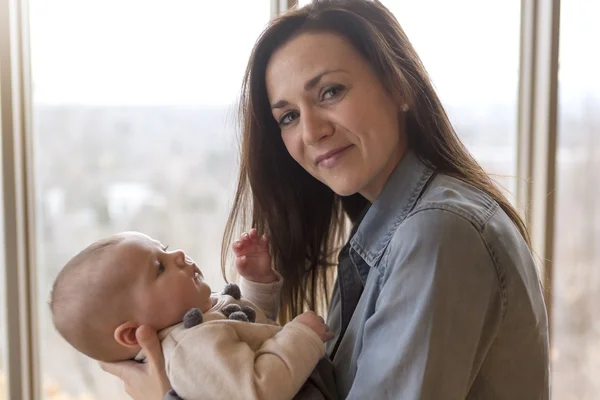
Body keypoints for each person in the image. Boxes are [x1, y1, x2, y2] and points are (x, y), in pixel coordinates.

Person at [100, 0, 551, 398]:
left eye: (331, 92)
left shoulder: (436, 233)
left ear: (400, 86)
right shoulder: (387, 231)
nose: (312, 131)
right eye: (289, 116)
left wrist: (168, 396)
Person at [50, 230, 336, 400]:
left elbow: (251, 340)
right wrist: (302, 337)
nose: (178, 255)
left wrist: (257, 284)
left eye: (163, 248)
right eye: (159, 267)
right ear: (131, 332)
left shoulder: (196, 329)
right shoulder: (189, 350)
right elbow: (258, 390)